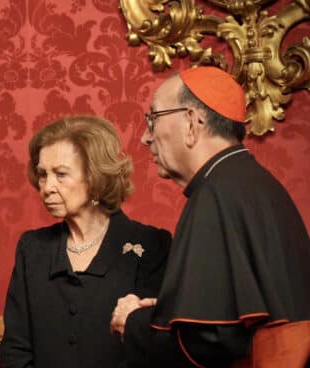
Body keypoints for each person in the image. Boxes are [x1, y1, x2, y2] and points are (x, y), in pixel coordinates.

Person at [110, 66, 310, 367]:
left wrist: (134, 321)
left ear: (192, 121)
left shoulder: (216, 193)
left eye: (153, 118)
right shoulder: (251, 182)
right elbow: (226, 319)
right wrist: (170, 312)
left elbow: (210, 342)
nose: (144, 137)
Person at [0, 116, 172, 367]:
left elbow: (150, 351)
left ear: (95, 178)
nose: (46, 187)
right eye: (42, 174)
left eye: (60, 174)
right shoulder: (32, 248)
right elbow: (15, 350)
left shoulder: (151, 245)